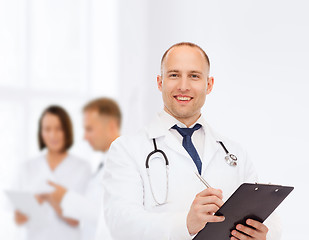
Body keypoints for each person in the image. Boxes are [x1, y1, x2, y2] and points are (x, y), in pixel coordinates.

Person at [102, 42, 281, 240]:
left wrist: (263, 236)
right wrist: (185, 224)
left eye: (194, 76)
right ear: (160, 82)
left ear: (209, 84)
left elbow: (269, 219)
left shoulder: (233, 152)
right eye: (174, 75)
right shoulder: (127, 149)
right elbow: (121, 223)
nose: (183, 86)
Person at [43, 98, 121, 240]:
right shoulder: (105, 162)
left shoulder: (123, 163)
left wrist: (65, 197)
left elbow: (110, 216)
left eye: (89, 129)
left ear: (111, 126)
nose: (85, 137)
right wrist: (59, 201)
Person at [15, 105, 91, 240]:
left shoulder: (82, 168)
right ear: (41, 132)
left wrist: (50, 198)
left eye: (59, 129)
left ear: (67, 131)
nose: (53, 135)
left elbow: (76, 219)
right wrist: (36, 202)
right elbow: (19, 219)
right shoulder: (27, 167)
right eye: (47, 129)